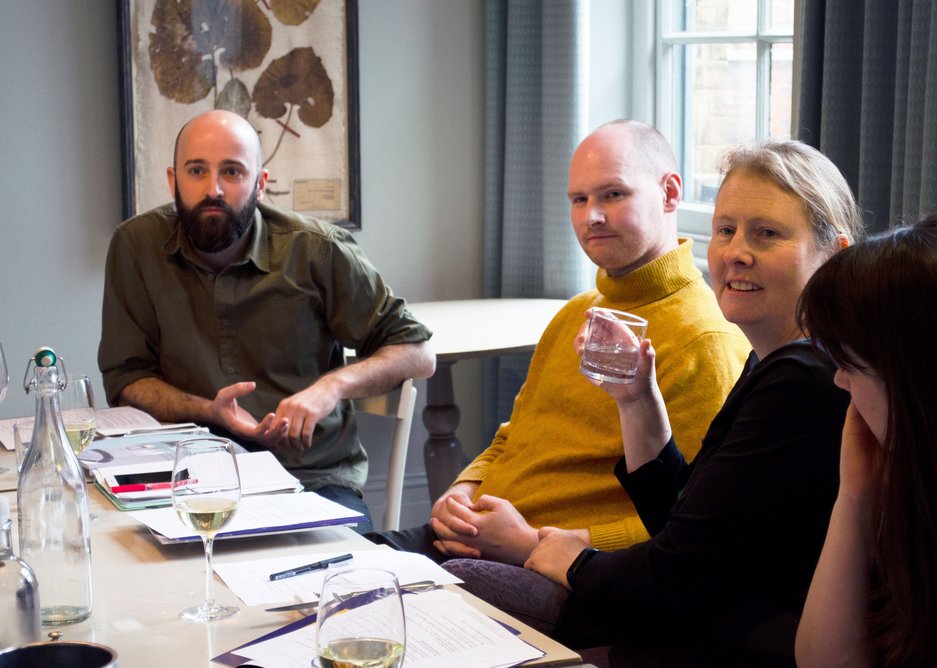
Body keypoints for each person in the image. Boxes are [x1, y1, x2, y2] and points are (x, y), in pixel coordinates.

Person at [446, 139, 864, 666]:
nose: (735, 251)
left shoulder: (805, 376)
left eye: (768, 233)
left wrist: (558, 557)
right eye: (725, 229)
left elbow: (681, 572)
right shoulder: (775, 358)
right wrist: (637, 399)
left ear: (836, 254)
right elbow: (687, 517)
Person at [369, 120, 751, 564]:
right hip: (472, 537)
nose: (591, 216)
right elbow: (514, 437)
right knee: (319, 577)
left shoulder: (707, 341)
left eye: (613, 194)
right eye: (579, 199)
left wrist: (534, 543)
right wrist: (461, 490)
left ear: (669, 194)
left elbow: (683, 525)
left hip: (547, 566)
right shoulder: (575, 313)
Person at [98, 110, 435, 531]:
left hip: (309, 481)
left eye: (233, 172)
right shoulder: (136, 246)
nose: (213, 189)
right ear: (172, 180)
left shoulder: (318, 250)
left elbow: (417, 351)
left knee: (340, 592)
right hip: (186, 481)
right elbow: (126, 380)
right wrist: (210, 411)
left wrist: (330, 388)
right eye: (197, 170)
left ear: (260, 183)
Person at [795, 215, 937, 667]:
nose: (839, 380)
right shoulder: (909, 483)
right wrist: (854, 497)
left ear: (908, 377)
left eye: (850, 364)